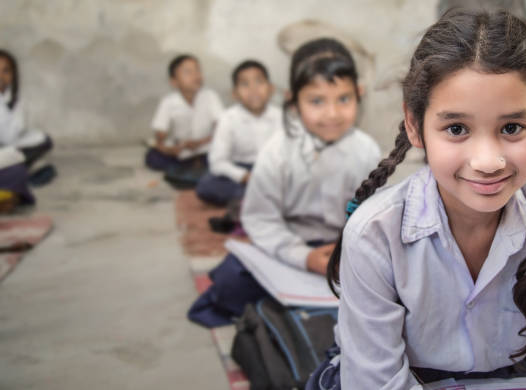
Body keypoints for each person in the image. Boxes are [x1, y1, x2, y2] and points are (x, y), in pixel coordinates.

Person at [307, 9, 526, 390]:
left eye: (512, 127)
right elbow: (377, 382)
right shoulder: (375, 234)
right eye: (456, 128)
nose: (487, 162)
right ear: (415, 126)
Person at [187, 38, 380, 327]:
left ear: (359, 94)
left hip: (343, 250)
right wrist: (305, 257)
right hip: (289, 246)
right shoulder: (277, 151)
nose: (332, 114)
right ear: (293, 101)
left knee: (402, 282)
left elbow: (373, 219)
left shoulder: (367, 151)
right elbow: (261, 220)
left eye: (344, 99)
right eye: (316, 101)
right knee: (231, 281)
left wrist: (347, 254)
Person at [196, 60, 281, 206]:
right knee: (207, 186)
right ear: (235, 94)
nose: (253, 89)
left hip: (273, 171)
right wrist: (245, 176)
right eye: (245, 84)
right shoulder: (228, 119)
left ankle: (255, 200)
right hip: (242, 171)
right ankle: (266, 199)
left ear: (271, 88)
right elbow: (218, 162)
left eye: (259, 82)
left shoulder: (281, 117)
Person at [144, 54, 223, 174]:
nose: (196, 76)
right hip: (181, 148)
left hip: (205, 145)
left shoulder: (210, 96)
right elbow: (160, 134)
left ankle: (193, 166)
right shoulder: (169, 102)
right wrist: (169, 149)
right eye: (188, 72)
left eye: (197, 70)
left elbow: (221, 127)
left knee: (221, 153)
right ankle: (191, 166)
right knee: (152, 157)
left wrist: (200, 142)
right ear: (174, 82)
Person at [0, 49, 55, 185]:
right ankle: (18, 167)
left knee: (45, 140)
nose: (0, 75)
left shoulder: (16, 99)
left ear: (13, 74)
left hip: (9, 146)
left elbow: (15, 132)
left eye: (6, 71)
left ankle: (12, 164)